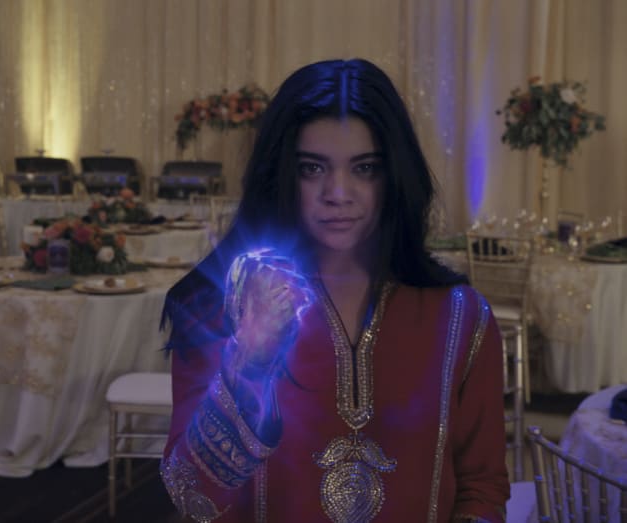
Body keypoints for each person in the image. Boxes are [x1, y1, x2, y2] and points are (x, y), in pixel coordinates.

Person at [160, 58, 510, 522]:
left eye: (364, 168)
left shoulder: (461, 319)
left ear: (396, 174)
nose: (338, 193)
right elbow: (189, 496)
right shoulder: (219, 307)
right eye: (311, 168)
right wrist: (248, 364)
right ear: (279, 174)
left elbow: (483, 487)